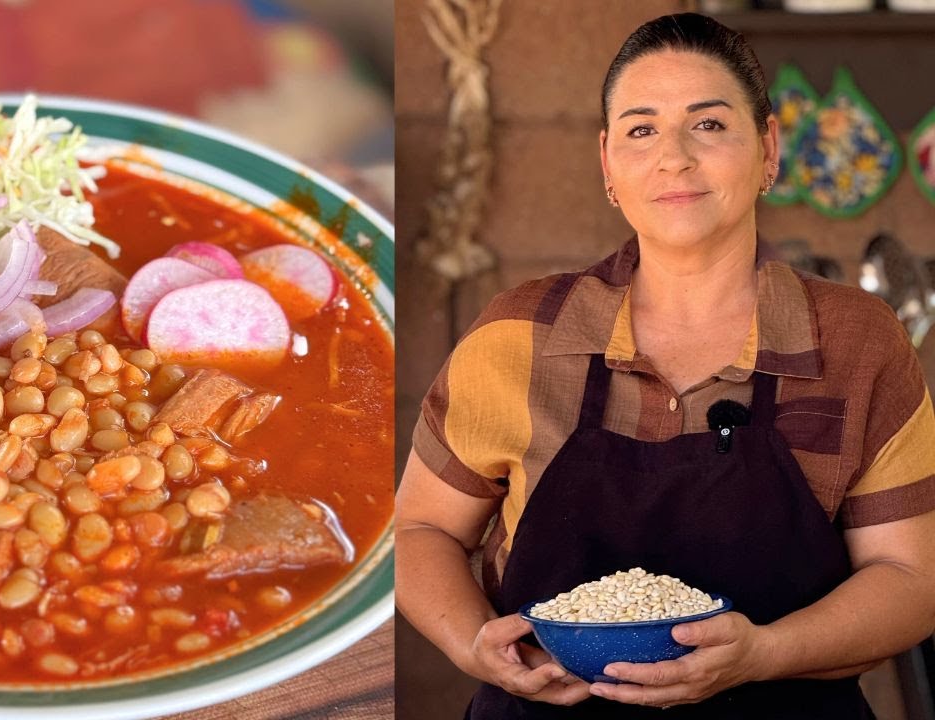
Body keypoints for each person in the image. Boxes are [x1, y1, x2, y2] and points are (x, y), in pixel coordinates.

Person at [395, 12, 935, 719]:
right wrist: (472, 644)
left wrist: (765, 653)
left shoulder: (857, 339)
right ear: (608, 164)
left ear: (768, 149)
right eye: (641, 128)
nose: (673, 156)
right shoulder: (519, 333)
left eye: (708, 125)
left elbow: (911, 578)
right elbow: (421, 530)